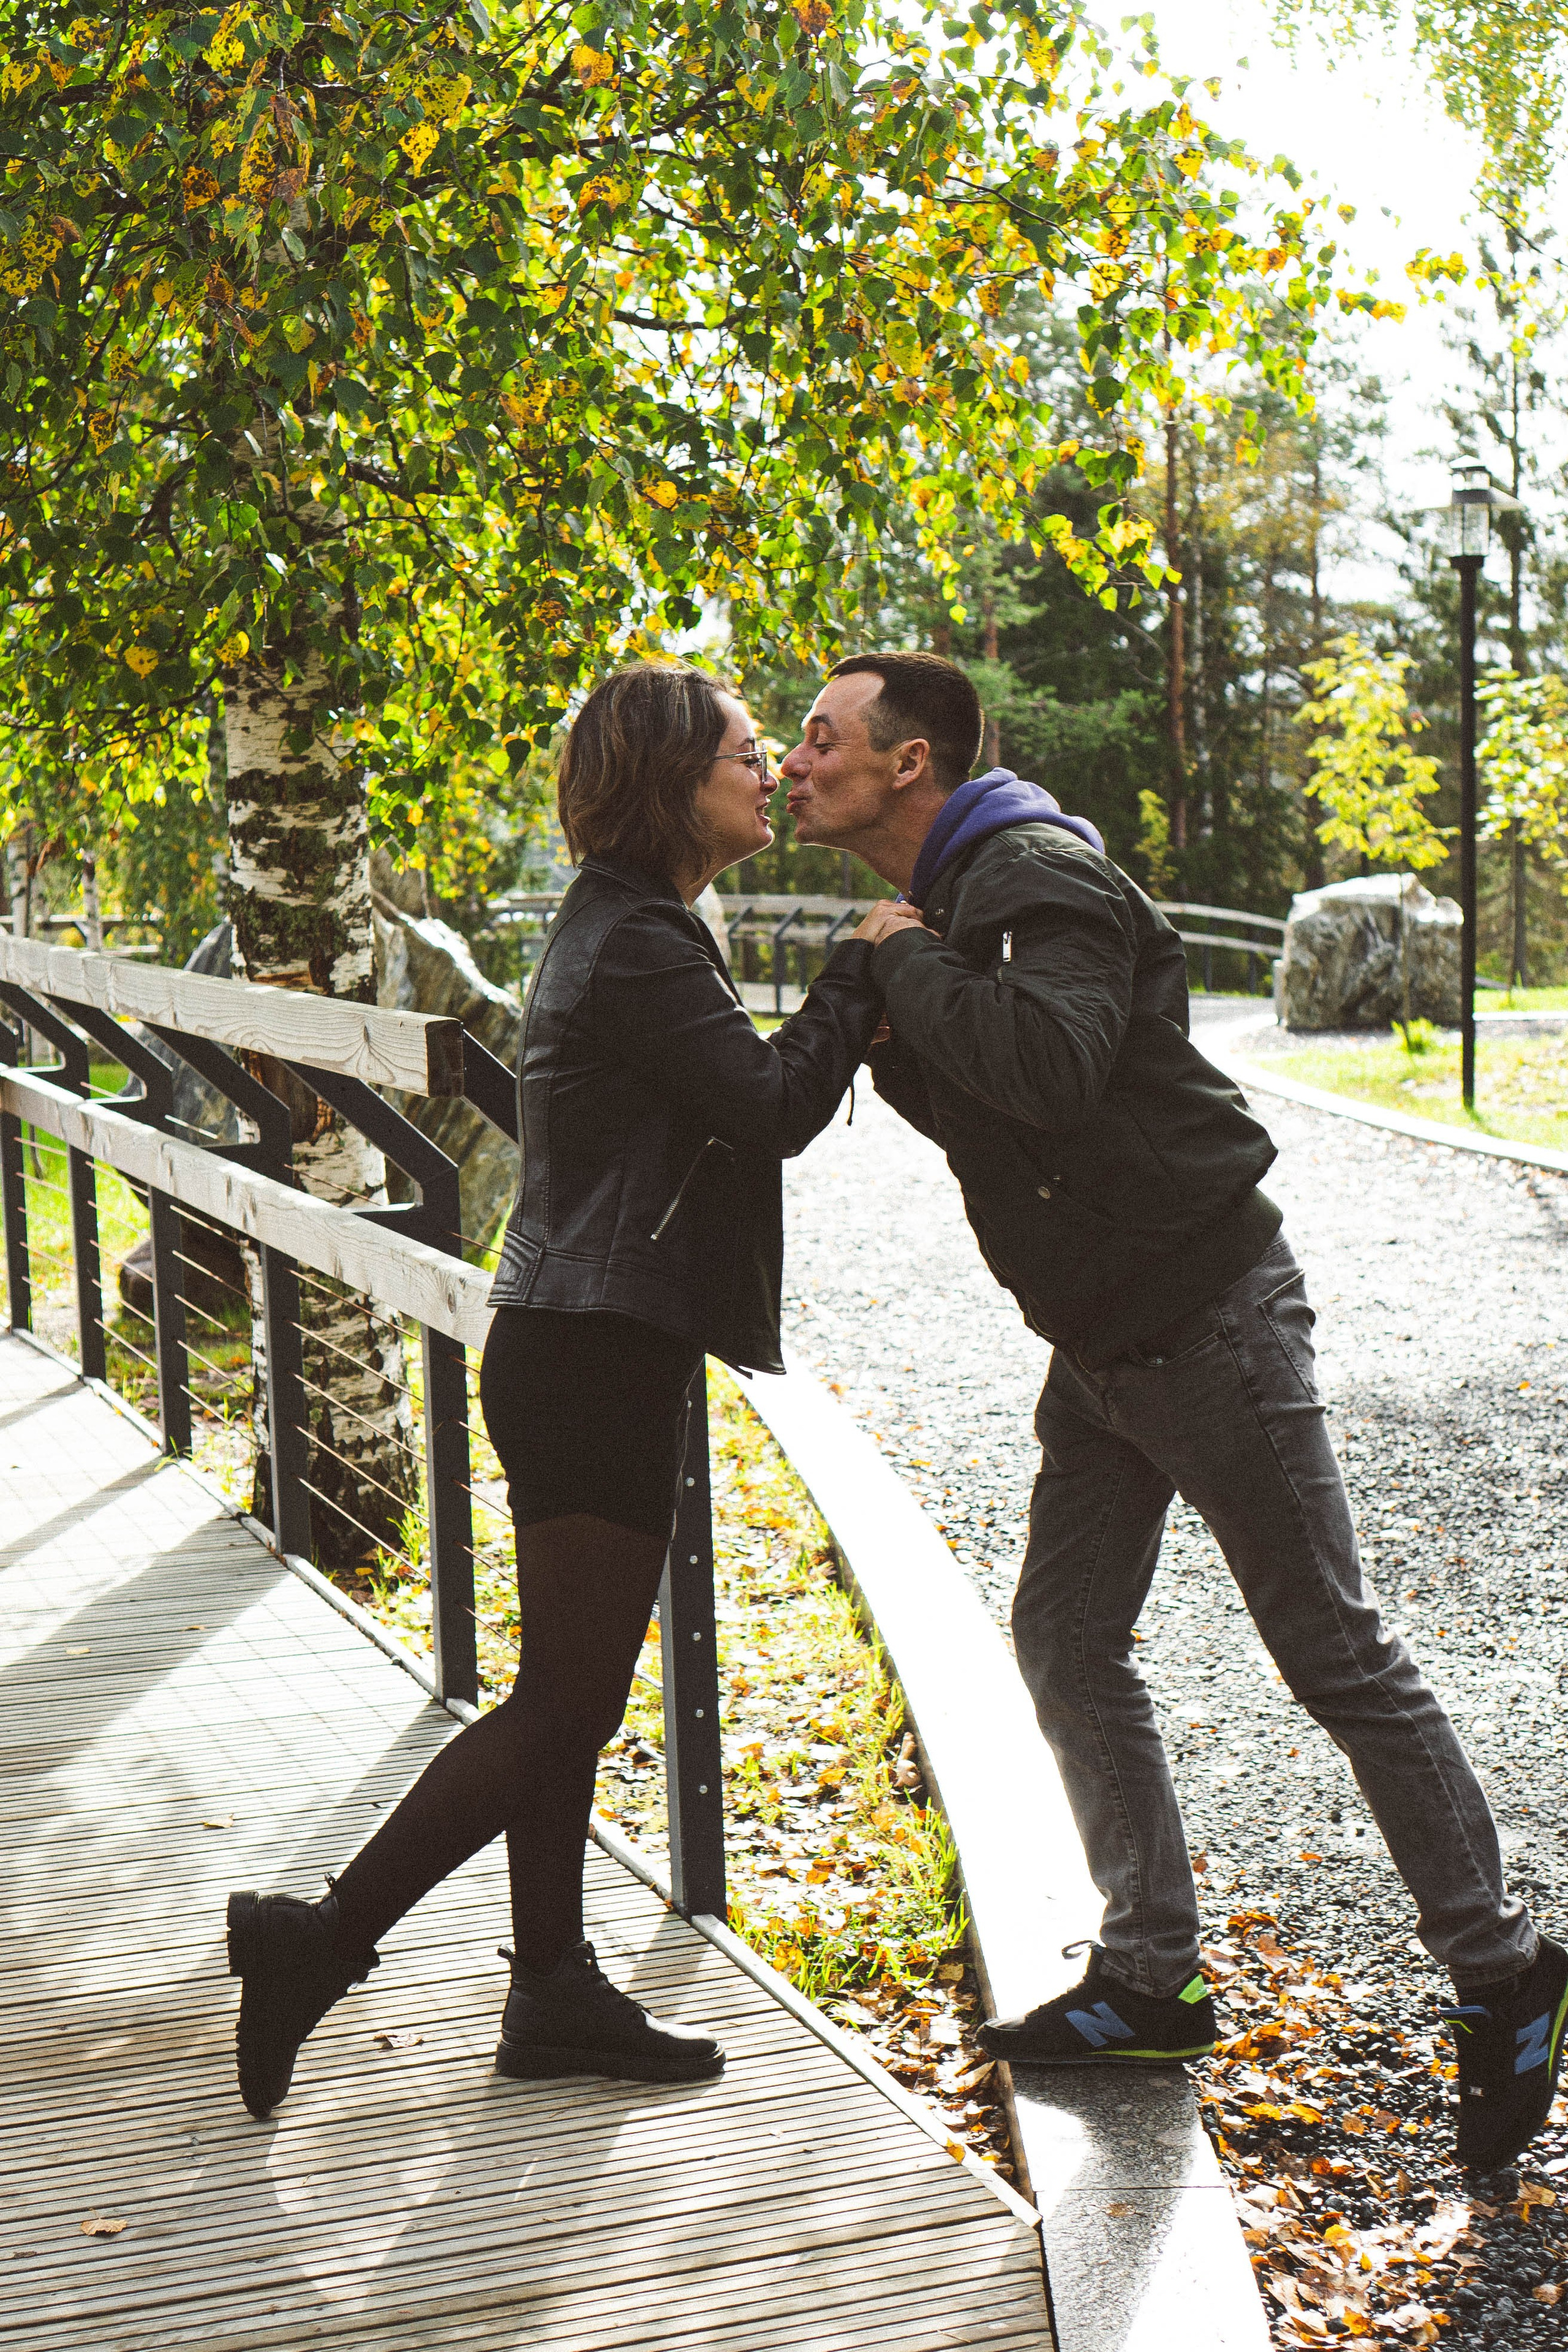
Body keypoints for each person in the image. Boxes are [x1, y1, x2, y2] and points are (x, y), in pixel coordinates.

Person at [782, 649, 1567, 2177]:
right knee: (1065, 1640)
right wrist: (896, 984)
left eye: (820, 739)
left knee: (1332, 1651)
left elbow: (1056, 1070)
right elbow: (1005, 1111)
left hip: (1205, 1320)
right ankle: (1149, 1977)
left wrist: (897, 967)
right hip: (1102, 1345)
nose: (795, 761)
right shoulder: (951, 901)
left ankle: (1501, 1971)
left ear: (910, 765)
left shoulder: (1027, 869)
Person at [226, 660, 895, 2121]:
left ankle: (549, 1990)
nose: (767, 764)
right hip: (593, 1351)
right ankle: (318, 1942)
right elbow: (773, 1109)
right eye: (739, 748)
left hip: (573, 1336)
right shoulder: (643, 943)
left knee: (566, 1698)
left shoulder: (629, 924)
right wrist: (860, 968)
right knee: (562, 1701)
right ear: (671, 780)